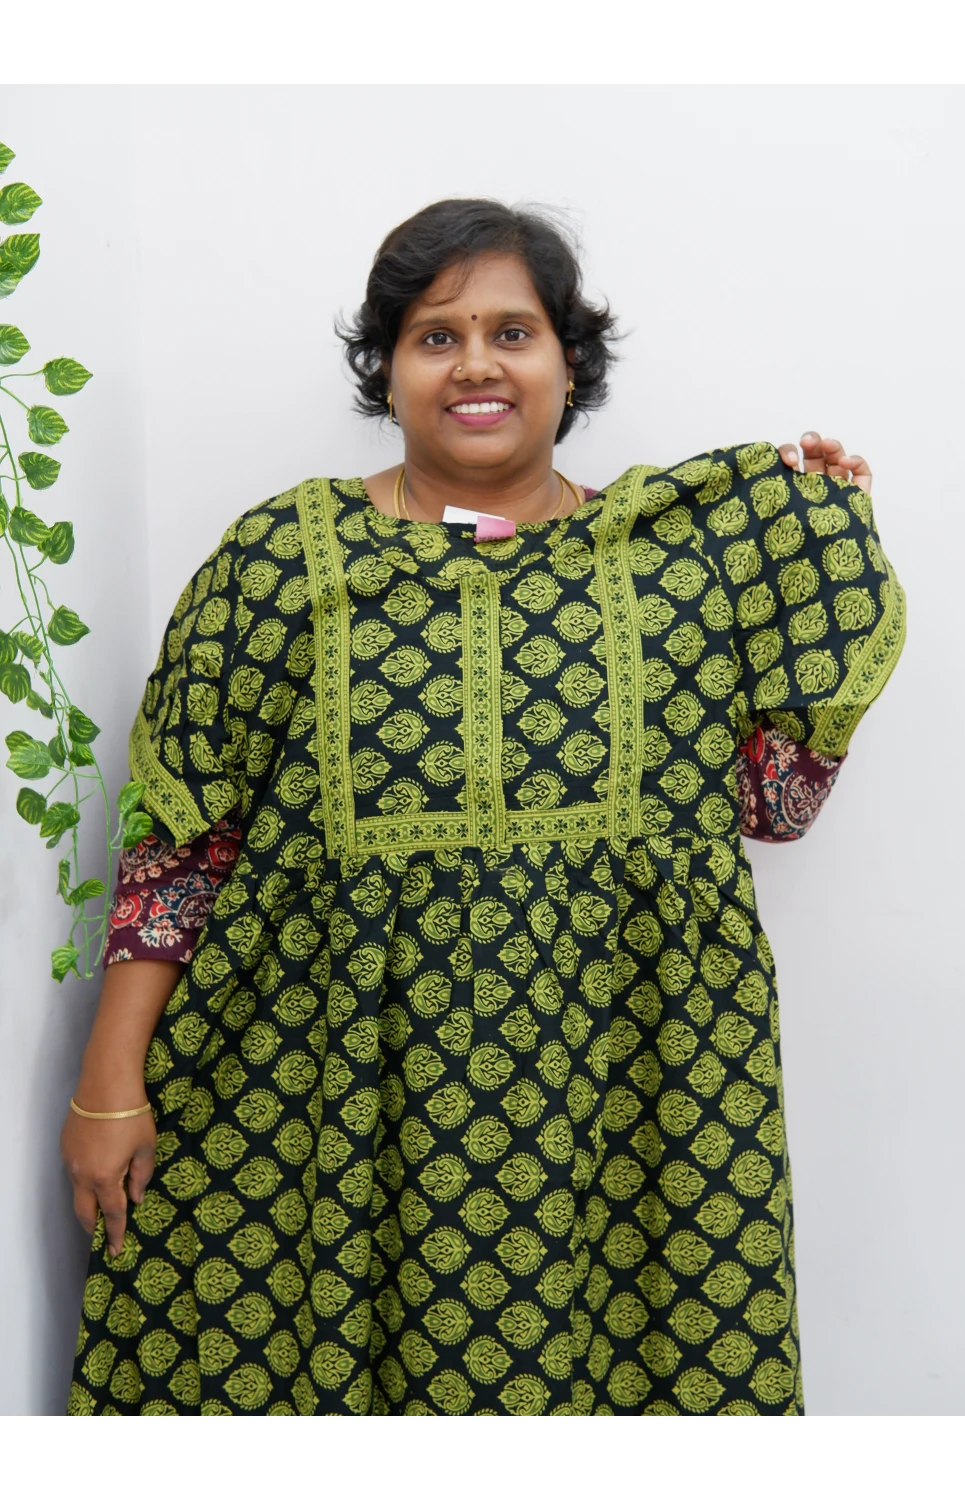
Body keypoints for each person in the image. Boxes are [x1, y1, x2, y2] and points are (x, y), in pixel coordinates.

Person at [65, 199, 904, 1416]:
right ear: (386, 369)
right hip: (317, 1104)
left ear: (569, 360)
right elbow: (180, 848)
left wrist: (818, 543)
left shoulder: (683, 571)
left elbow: (772, 805)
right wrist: (107, 1084)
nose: (474, 365)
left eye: (512, 332)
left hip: (625, 1117)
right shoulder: (279, 561)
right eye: (434, 336)